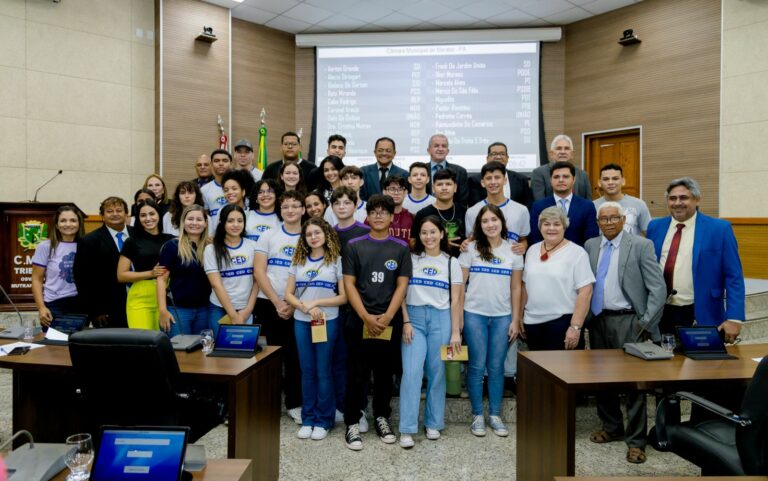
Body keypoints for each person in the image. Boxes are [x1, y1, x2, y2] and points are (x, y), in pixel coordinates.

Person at [584, 201, 666, 465]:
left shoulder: (641, 245)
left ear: (623, 220)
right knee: (602, 380)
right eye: (603, 219)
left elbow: (658, 288)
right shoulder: (590, 246)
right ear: (598, 222)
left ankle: (636, 442)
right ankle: (612, 427)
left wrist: (644, 322)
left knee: (634, 384)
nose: (608, 223)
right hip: (598, 321)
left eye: (613, 218)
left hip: (630, 321)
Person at [342, 194, 411, 451]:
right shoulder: (354, 245)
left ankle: (382, 417)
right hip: (359, 320)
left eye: (384, 211)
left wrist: (388, 317)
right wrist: (366, 317)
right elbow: (349, 284)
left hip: (388, 322)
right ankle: (352, 422)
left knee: (384, 375)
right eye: (374, 211)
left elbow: (401, 285)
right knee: (356, 374)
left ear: (392, 217)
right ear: (367, 216)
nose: (379, 215)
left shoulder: (401, 247)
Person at [646, 177, 745, 342]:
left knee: (703, 365)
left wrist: (734, 318)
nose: (678, 203)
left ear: (697, 199)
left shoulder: (719, 229)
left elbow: (734, 277)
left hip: (702, 311)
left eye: (684, 197)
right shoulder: (655, 227)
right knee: (662, 364)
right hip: (661, 312)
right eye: (672, 198)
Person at [398, 216, 463, 449]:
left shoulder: (450, 263)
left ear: (442, 234)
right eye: (424, 232)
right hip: (414, 319)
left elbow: (456, 300)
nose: (429, 237)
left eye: (433, 232)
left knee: (437, 372)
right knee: (412, 372)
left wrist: (456, 331)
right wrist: (405, 321)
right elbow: (401, 294)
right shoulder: (411, 258)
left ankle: (434, 423)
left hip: (441, 319)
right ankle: (407, 428)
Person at [459, 204, 523, 438]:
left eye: (494, 220)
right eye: (485, 221)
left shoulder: (513, 250)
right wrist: (457, 319)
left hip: (502, 316)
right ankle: (477, 415)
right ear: (479, 225)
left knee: (497, 367)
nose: (490, 225)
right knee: (476, 367)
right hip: (474, 313)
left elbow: (516, 288)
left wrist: (516, 320)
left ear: (502, 222)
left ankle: (495, 415)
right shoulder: (470, 249)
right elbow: (459, 287)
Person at [285, 218, 347, 441]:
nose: (313, 237)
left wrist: (317, 304)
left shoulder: (336, 261)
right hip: (302, 321)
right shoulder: (298, 260)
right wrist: (304, 307)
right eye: (309, 234)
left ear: (326, 234)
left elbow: (344, 296)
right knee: (307, 371)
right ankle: (308, 417)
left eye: (317, 232)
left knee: (323, 370)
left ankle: (324, 419)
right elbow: (288, 293)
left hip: (327, 321)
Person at [255, 191, 306, 425]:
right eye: (286, 206)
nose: (291, 210)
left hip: (299, 306)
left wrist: (293, 304)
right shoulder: (268, 236)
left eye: (296, 206)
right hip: (269, 304)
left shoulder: (309, 237)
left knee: (296, 358)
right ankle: (267, 404)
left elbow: (313, 273)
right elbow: (259, 271)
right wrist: (277, 301)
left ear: (303, 210)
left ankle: (294, 404)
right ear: (280, 209)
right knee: (270, 358)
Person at [520, 206, 594, 351]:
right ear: (540, 227)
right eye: (546, 224)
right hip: (532, 323)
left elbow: (586, 292)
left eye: (556, 224)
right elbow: (524, 286)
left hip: (563, 323)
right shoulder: (532, 250)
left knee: (565, 372)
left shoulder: (577, 253)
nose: (551, 228)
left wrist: (575, 326)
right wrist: (520, 316)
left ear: (564, 227)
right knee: (537, 371)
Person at [74, 196, 133, 328]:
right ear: (102, 215)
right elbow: (82, 279)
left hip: (140, 304)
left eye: (119, 210)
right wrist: (96, 311)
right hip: (107, 311)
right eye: (109, 211)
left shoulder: (138, 235)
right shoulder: (89, 241)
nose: (115, 214)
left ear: (126, 214)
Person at [117, 200, 174, 330]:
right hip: (141, 299)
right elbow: (121, 275)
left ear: (159, 215)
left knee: (165, 344)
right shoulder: (132, 241)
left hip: (168, 297)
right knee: (143, 343)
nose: (148, 218)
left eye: (152, 214)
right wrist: (150, 273)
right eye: (143, 215)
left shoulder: (171, 240)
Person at [157, 204, 212, 337]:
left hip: (205, 310)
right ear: (183, 222)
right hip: (178, 310)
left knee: (201, 353)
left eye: (199, 219)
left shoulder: (211, 247)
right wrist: (163, 310)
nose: (194, 223)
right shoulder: (171, 246)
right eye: (190, 219)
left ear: (205, 223)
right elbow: (161, 280)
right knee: (180, 354)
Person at [203, 204, 258, 335]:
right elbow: (216, 284)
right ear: (222, 223)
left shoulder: (253, 246)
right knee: (223, 351)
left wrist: (247, 310)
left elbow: (257, 281)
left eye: (240, 221)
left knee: (243, 351)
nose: (235, 225)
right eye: (230, 221)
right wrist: (233, 315)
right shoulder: (211, 249)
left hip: (246, 308)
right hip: (220, 308)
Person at [32, 205, 85, 326]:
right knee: (54, 344)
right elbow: (36, 279)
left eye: (73, 220)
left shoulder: (87, 244)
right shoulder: (46, 246)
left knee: (77, 343)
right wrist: (41, 308)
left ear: (79, 223)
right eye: (63, 220)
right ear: (56, 224)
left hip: (80, 303)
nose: (68, 224)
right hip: (54, 304)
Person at [465, 161, 530, 254]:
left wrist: (523, 246)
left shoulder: (521, 210)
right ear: (483, 183)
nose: (493, 182)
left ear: (505, 180)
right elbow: (471, 241)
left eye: (497, 177)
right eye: (488, 178)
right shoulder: (472, 212)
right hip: (483, 264)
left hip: (512, 264)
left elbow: (523, 239)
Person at [529, 161, 599, 246]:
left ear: (574, 179)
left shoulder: (587, 206)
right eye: (556, 177)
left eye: (565, 177)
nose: (561, 180)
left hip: (577, 256)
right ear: (550, 180)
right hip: (548, 256)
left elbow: (591, 238)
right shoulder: (538, 206)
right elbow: (535, 237)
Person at [412, 168, 466, 257]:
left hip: (461, 262)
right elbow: (413, 242)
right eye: (440, 184)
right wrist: (438, 243)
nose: (444, 188)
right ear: (433, 188)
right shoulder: (423, 214)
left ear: (455, 188)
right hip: (431, 263)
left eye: (448, 184)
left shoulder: (465, 211)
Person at [468, 142, 533, 208]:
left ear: (507, 158)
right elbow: (475, 206)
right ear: (487, 158)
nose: (498, 157)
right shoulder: (475, 180)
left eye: (502, 154)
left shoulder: (521, 180)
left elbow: (527, 206)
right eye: (494, 154)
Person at [593, 163, 651, 235]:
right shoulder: (592, 206)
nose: (610, 182)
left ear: (623, 181)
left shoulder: (639, 204)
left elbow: (648, 233)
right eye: (606, 179)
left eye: (615, 178)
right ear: (599, 183)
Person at [531, 134, 593, 201]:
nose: (563, 152)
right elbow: (539, 202)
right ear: (551, 153)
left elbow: (588, 201)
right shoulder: (539, 173)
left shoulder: (583, 174)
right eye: (558, 148)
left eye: (566, 148)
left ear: (572, 154)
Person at [425, 134, 469, 207]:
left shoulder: (460, 171)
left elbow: (463, 200)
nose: (440, 149)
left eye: (444, 146)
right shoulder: (421, 171)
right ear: (429, 150)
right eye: (436, 146)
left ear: (447, 151)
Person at [201, 148, 233, 232]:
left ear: (231, 164)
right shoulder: (204, 190)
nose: (221, 164)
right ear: (211, 164)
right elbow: (204, 217)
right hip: (213, 237)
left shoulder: (240, 187)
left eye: (225, 161)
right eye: (217, 161)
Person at [379, 175, 413, 242]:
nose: (396, 193)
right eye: (392, 189)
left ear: (406, 192)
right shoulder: (375, 216)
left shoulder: (412, 218)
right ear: (384, 191)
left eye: (400, 189)